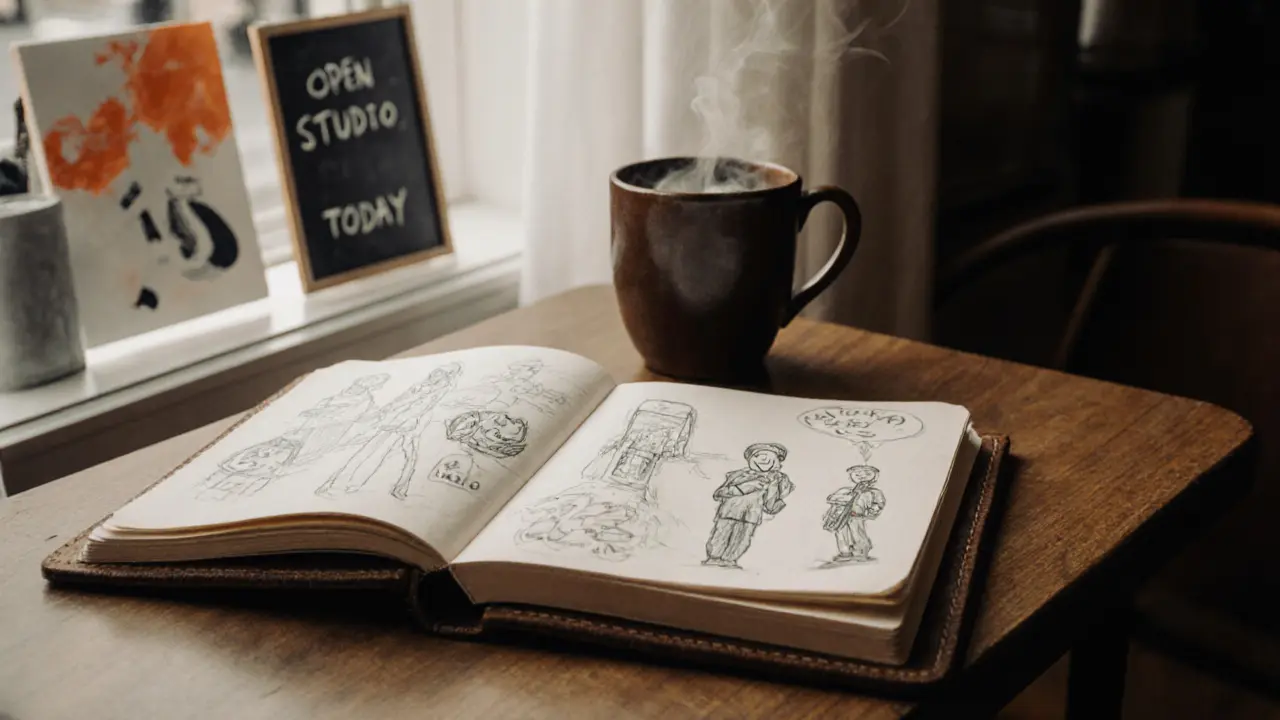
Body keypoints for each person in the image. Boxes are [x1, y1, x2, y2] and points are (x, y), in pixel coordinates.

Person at [316, 363, 461, 498]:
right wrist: (386, 414)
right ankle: (338, 484)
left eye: (441, 374)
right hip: (397, 424)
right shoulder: (422, 387)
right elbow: (400, 402)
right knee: (372, 453)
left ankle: (344, 484)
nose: (435, 376)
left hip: (402, 425)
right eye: (436, 373)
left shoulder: (435, 391)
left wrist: (395, 418)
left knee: (377, 454)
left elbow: (417, 408)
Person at [703, 442, 794, 568]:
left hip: (751, 515)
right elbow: (719, 493)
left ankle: (730, 559)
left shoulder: (775, 480)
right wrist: (743, 488)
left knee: (742, 537)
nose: (764, 460)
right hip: (729, 511)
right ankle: (714, 557)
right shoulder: (738, 475)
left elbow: (770, 503)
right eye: (758, 456)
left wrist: (778, 494)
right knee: (721, 534)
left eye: (769, 457)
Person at [822, 465, 887, 562]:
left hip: (857, 516)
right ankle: (844, 552)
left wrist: (871, 512)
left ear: (875, 476)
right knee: (841, 534)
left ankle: (861, 552)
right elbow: (831, 498)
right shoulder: (845, 490)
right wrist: (845, 499)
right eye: (857, 474)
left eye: (868, 474)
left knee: (857, 533)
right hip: (841, 516)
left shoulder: (873, 492)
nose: (862, 476)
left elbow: (879, 503)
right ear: (851, 476)